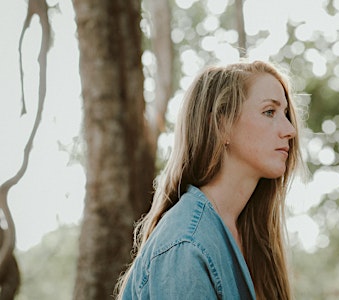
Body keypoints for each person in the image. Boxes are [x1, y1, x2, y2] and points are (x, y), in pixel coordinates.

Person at [115, 60, 303, 300]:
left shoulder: (248, 231)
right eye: (269, 112)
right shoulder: (186, 245)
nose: (290, 130)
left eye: (286, 114)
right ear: (221, 124)